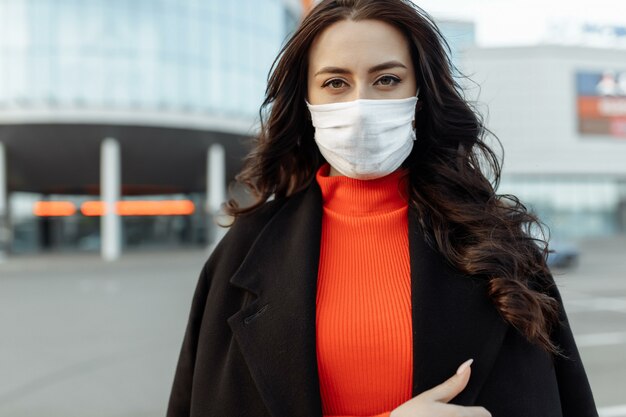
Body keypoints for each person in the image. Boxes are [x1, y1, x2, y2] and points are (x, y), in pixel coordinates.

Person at [166, 1, 598, 416]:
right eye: (336, 83)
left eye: (387, 80)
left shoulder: (500, 247)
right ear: (307, 102)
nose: (361, 107)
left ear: (421, 95)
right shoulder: (241, 252)